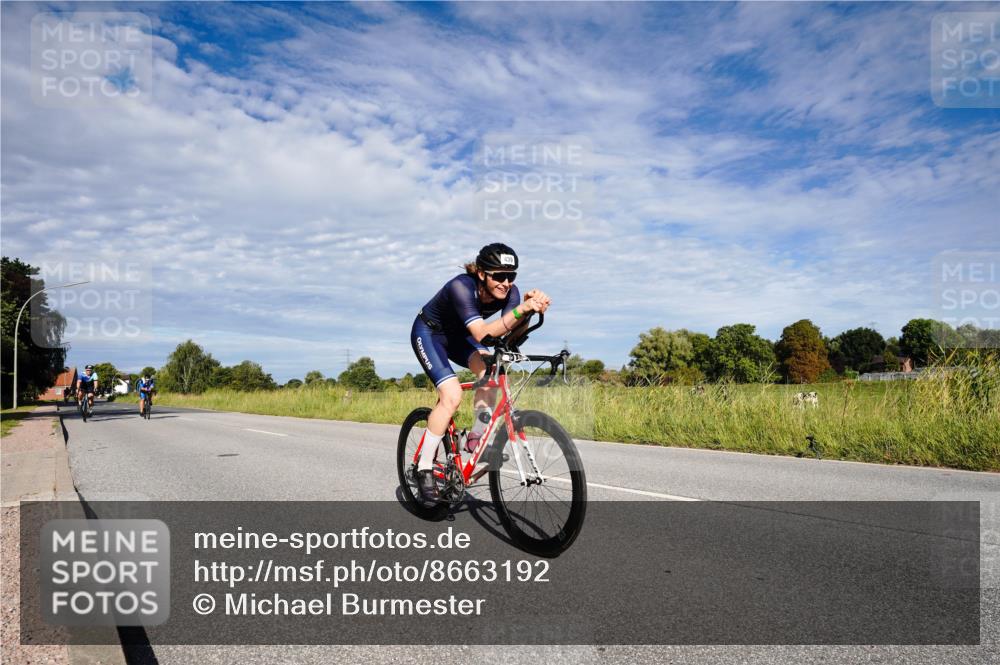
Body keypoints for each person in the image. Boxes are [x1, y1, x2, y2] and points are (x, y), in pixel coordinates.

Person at [410, 243, 550, 503]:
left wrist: (530, 311)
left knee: (492, 371)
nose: (506, 283)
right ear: (482, 274)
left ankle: (475, 437)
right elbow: (483, 334)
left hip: (460, 337)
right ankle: (424, 468)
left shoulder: (511, 292)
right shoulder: (461, 287)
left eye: (511, 276)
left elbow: (510, 334)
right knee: (451, 396)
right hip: (430, 334)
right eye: (499, 276)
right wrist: (524, 308)